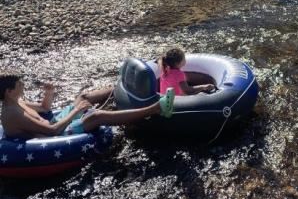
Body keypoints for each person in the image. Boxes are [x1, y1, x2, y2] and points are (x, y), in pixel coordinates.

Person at [0, 71, 175, 139]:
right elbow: (53, 131)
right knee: (96, 116)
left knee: (83, 96)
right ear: (9, 91)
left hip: (54, 121)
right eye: (19, 84)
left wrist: (49, 93)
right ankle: (156, 108)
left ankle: (119, 88)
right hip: (53, 135)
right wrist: (76, 110)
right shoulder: (11, 113)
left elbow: (44, 108)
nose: (23, 85)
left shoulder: (18, 101)